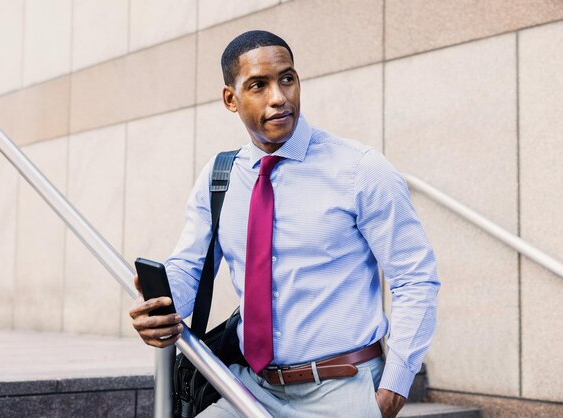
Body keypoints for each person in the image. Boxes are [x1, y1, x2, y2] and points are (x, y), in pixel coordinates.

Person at [130, 30, 440, 418]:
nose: (279, 97)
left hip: (342, 388)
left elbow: (415, 278)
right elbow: (189, 267)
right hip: (250, 388)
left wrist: (394, 385)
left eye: (287, 79)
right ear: (231, 98)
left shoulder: (361, 169)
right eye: (258, 85)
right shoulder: (220, 176)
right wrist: (160, 302)